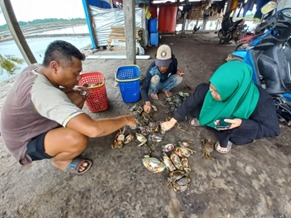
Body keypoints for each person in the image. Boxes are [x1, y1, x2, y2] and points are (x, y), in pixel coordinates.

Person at [0, 40, 137, 174]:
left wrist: (77, 89)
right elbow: (94, 130)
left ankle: (61, 132)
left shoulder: (36, 69)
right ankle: (60, 161)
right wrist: (126, 119)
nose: (78, 78)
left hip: (34, 123)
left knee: (79, 93)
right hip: (25, 142)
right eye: (75, 73)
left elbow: (56, 93)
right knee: (77, 138)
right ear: (54, 66)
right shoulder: (43, 93)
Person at [160, 61, 280, 153]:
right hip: (213, 114)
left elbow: (273, 130)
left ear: (233, 90)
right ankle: (205, 120)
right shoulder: (209, 89)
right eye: (212, 88)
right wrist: (172, 121)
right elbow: (189, 103)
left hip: (233, 122)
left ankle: (224, 138)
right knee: (199, 97)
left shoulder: (261, 101)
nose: (212, 93)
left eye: (217, 92)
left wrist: (241, 123)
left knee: (239, 138)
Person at [141, 44, 184, 113]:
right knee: (155, 78)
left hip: (166, 82)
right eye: (159, 64)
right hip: (156, 84)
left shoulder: (174, 62)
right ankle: (154, 92)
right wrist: (147, 102)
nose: (161, 67)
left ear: (170, 61)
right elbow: (144, 88)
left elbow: (173, 73)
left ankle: (166, 89)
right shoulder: (152, 67)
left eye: (165, 65)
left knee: (179, 77)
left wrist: (177, 72)